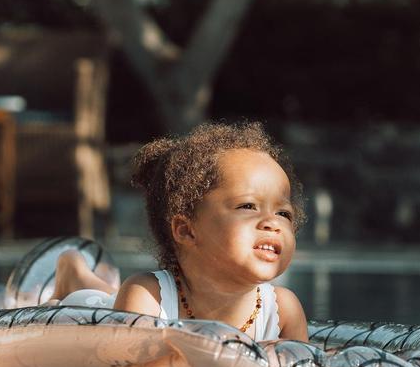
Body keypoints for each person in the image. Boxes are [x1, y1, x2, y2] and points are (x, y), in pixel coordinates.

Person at [53, 121, 309, 342]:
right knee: (99, 297)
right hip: (96, 313)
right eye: (248, 206)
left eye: (283, 213)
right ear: (186, 231)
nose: (272, 223)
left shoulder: (284, 310)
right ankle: (72, 269)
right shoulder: (147, 296)